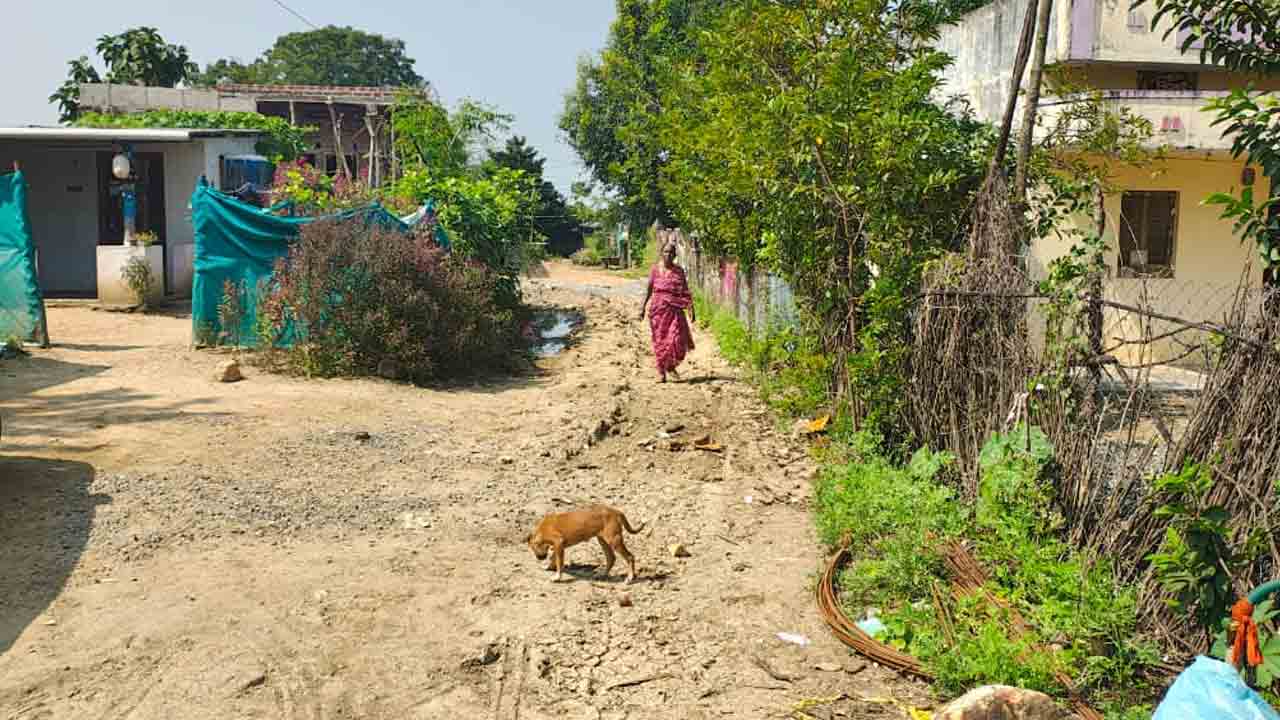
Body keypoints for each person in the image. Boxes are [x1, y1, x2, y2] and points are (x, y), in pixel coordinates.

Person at [638, 240, 695, 382]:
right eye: (665, 252)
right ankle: (661, 371)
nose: (668, 254)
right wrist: (642, 308)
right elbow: (649, 289)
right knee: (660, 341)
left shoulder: (679, 271)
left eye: (671, 252)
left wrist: (691, 308)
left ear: (675, 255)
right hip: (658, 310)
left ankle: (670, 366)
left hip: (675, 310)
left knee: (676, 340)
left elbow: (685, 290)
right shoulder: (655, 270)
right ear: (661, 254)